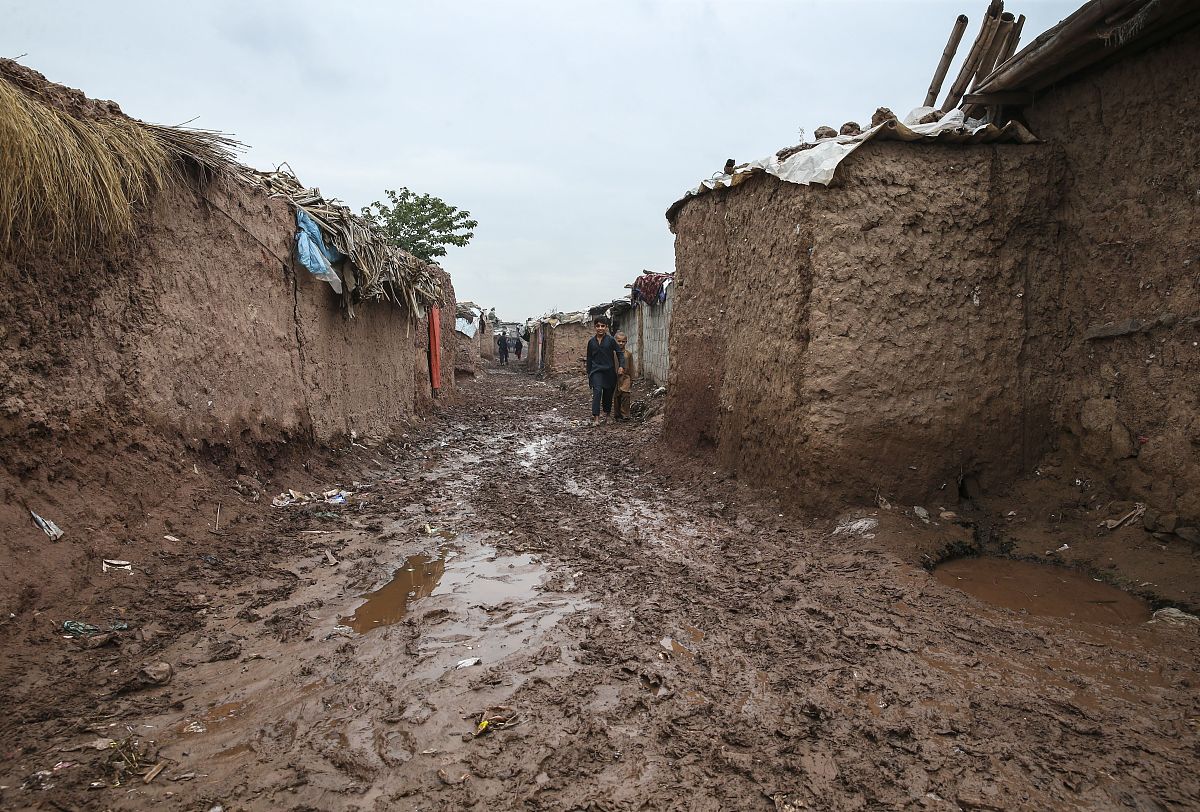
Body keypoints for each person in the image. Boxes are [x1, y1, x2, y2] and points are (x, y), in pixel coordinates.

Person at [585, 317, 624, 426]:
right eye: (598, 326)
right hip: (596, 371)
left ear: (606, 327)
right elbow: (589, 358)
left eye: (602, 326)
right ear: (595, 327)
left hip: (609, 371)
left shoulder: (610, 340)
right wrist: (589, 374)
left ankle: (607, 415)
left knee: (608, 394)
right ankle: (596, 418)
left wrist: (621, 366)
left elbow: (619, 353)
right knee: (597, 392)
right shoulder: (591, 342)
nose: (600, 328)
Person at [613, 331, 634, 421]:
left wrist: (632, 379)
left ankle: (625, 414)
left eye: (623, 341)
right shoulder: (612, 353)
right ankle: (617, 415)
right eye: (619, 341)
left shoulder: (628, 354)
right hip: (615, 378)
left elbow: (631, 367)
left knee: (625, 394)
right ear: (615, 341)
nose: (621, 343)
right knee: (616, 396)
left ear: (626, 342)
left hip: (625, 377)